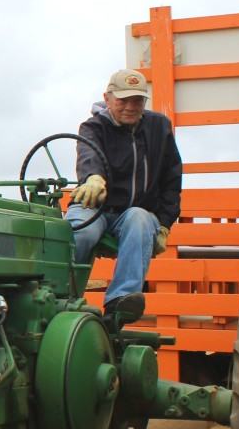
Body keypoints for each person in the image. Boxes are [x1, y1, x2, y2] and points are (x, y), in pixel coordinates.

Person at [65, 68, 183, 326]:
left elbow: (172, 178)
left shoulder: (158, 127)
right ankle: (62, 297)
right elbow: (88, 155)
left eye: (137, 100)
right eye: (123, 100)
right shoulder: (93, 127)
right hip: (96, 205)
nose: (130, 106)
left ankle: (120, 303)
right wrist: (93, 177)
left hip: (133, 213)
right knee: (80, 231)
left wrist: (164, 223)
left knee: (140, 219)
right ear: (107, 98)